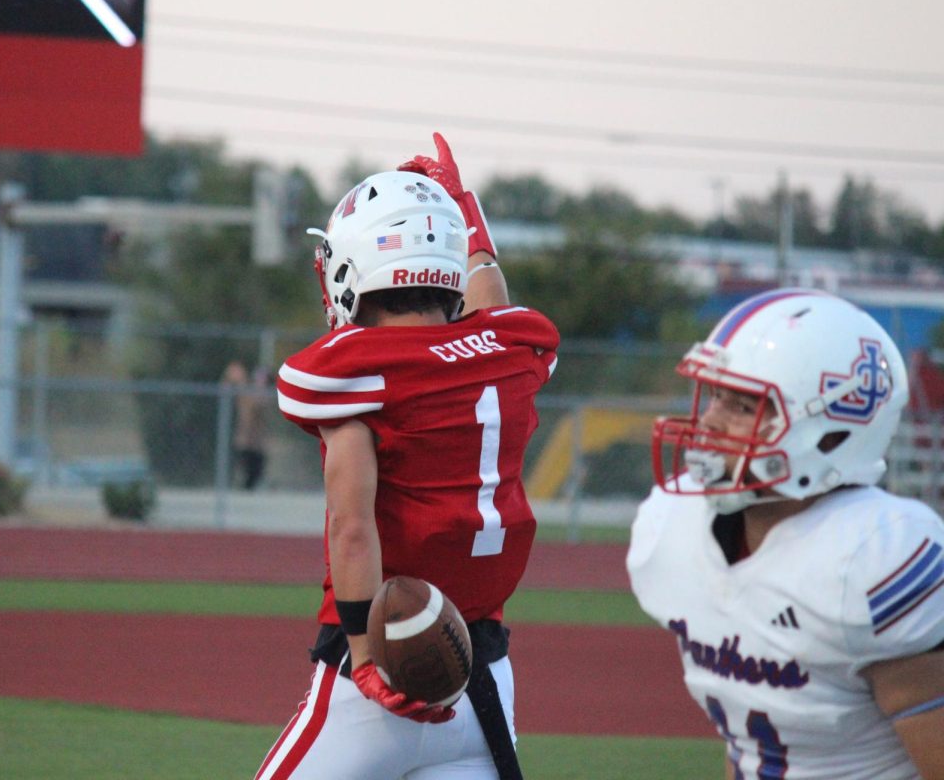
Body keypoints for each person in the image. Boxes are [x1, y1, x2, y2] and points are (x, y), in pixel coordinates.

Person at [254, 134, 560, 780]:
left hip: (380, 680)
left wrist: (367, 656)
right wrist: (465, 213)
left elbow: (352, 525)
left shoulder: (360, 371)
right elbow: (489, 303)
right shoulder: (509, 349)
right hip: (485, 680)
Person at [627, 288, 944, 779]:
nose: (710, 421)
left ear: (833, 428)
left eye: (743, 404)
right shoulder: (674, 525)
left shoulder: (876, 556)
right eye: (715, 395)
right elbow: (752, 745)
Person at [223, 360, 271, 490]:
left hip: (256, 441)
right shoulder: (244, 391)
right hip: (245, 438)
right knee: (244, 466)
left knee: (254, 470)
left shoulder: (260, 395)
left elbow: (259, 405)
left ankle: (251, 485)